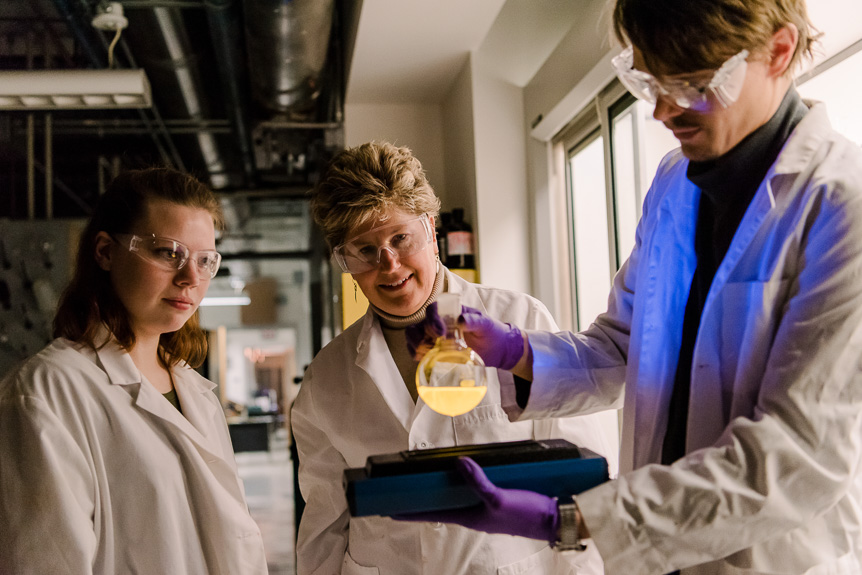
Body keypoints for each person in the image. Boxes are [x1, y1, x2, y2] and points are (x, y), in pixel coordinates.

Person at [403, 0, 862, 573]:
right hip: (657, 553)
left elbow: (797, 458)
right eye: (646, 79)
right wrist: (516, 352)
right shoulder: (676, 182)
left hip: (770, 559)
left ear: (779, 51)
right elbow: (623, 348)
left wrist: (568, 520)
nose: (662, 110)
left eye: (693, 83)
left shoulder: (842, 205)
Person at [291, 141, 619, 575]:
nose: (389, 265)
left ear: (431, 229)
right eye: (364, 250)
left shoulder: (520, 319)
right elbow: (325, 523)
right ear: (343, 261)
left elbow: (584, 474)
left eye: (400, 238)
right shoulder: (326, 378)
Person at [0, 168, 268, 574]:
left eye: (204, 260)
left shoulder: (195, 391)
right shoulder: (46, 393)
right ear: (105, 251)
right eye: (167, 252)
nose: (190, 278)